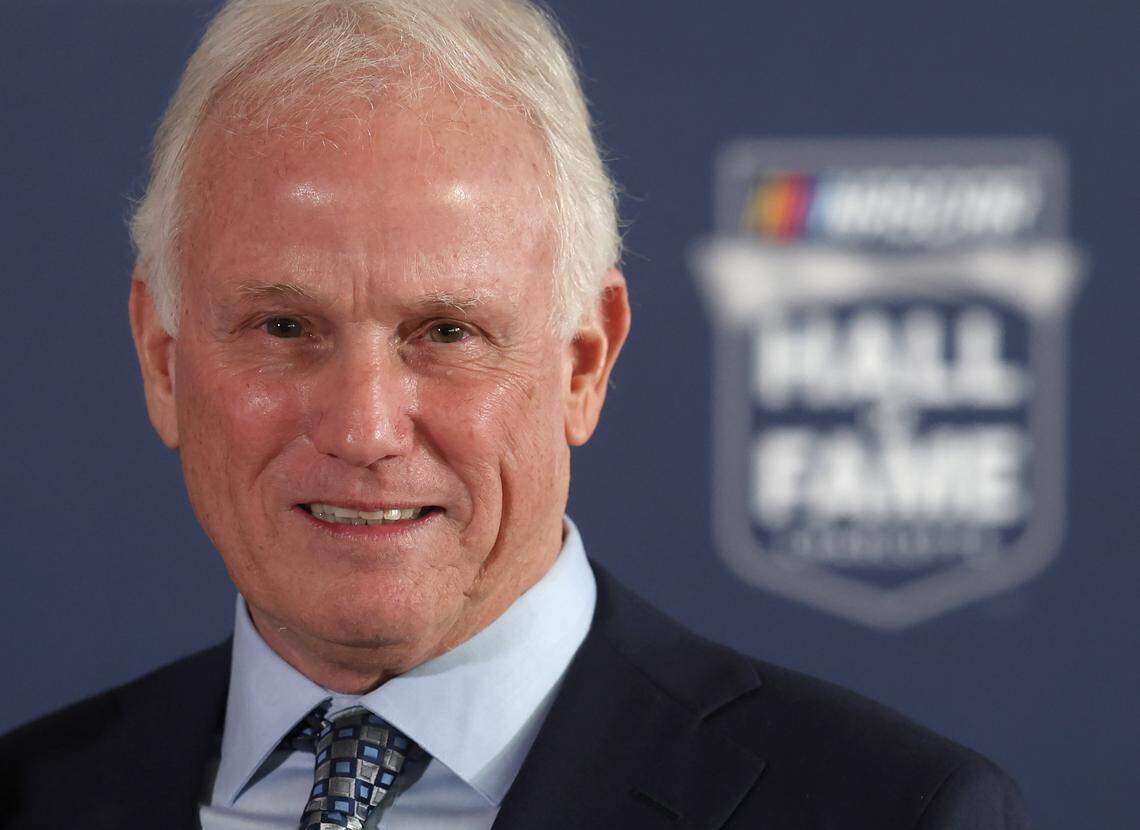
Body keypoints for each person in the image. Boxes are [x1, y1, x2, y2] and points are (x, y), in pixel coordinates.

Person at [0, 1, 1030, 828]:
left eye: (445, 332)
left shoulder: (889, 810)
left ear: (585, 361)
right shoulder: (33, 793)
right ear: (162, 355)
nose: (364, 429)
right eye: (282, 326)